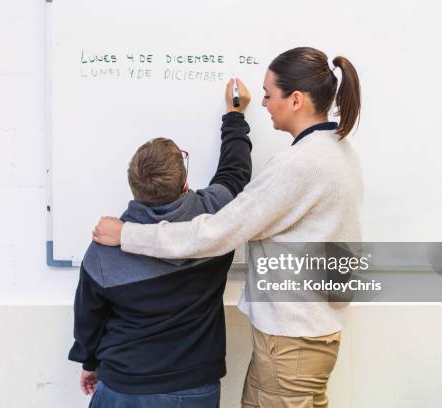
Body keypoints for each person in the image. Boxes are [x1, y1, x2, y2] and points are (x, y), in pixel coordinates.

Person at [92, 47, 363, 408]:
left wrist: (126, 234)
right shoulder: (339, 151)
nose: (264, 103)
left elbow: (215, 234)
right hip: (314, 336)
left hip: (291, 344)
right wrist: (234, 117)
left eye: (268, 95)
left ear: (295, 100)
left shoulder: (297, 166)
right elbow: (233, 180)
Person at [68, 79, 253, 408]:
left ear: (133, 187)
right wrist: (235, 114)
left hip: (125, 384)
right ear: (184, 184)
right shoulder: (214, 216)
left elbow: (88, 319)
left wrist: (89, 362)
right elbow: (235, 172)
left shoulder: (105, 246)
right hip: (195, 386)